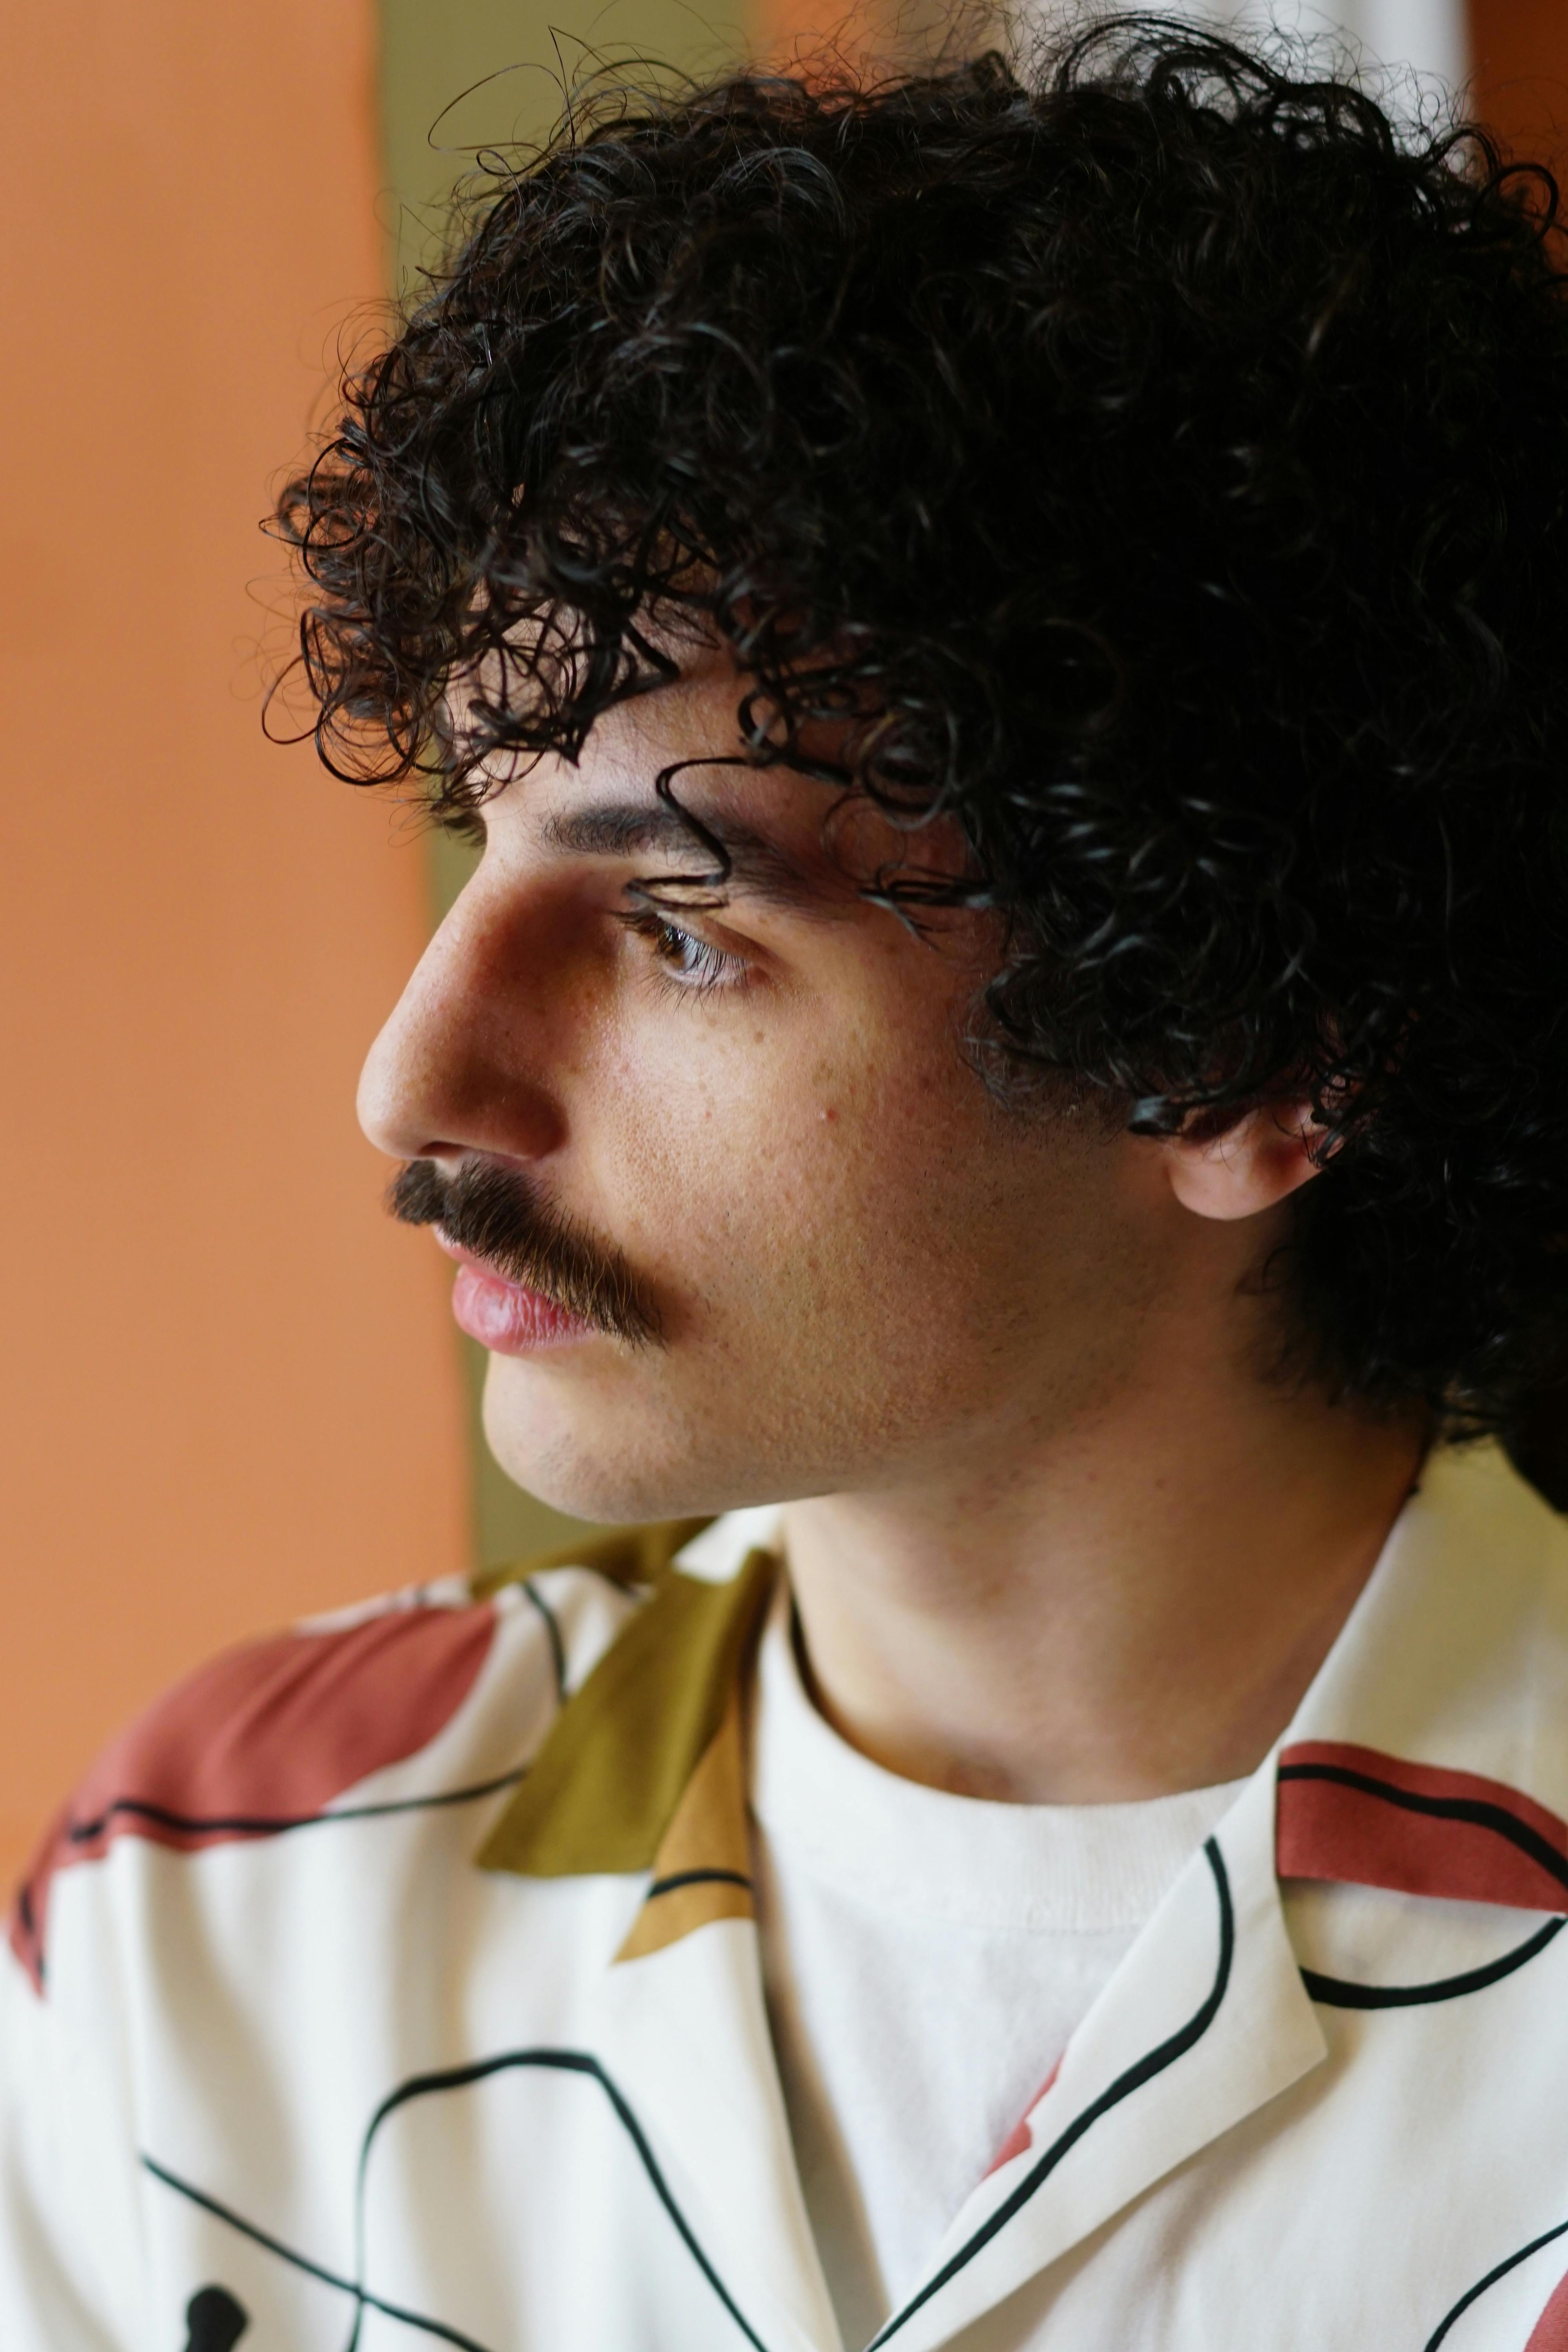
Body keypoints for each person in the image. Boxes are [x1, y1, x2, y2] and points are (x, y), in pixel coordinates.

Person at [7, 15, 1568, 2349]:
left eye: (677, 919)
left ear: (1234, 1051)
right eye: (485, 844)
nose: (415, 1076)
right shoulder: (222, 1904)